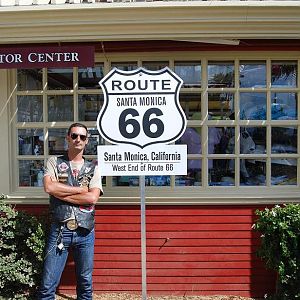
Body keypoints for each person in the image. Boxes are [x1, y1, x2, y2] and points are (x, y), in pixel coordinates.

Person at [38, 122, 103, 300]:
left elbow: (92, 198)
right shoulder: (54, 162)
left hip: (85, 232)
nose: (78, 140)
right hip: (60, 230)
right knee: (48, 283)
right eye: (74, 135)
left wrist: (62, 193)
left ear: (87, 141)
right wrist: (81, 190)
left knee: (85, 282)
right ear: (68, 138)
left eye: (82, 137)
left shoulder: (93, 168)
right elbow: (49, 187)